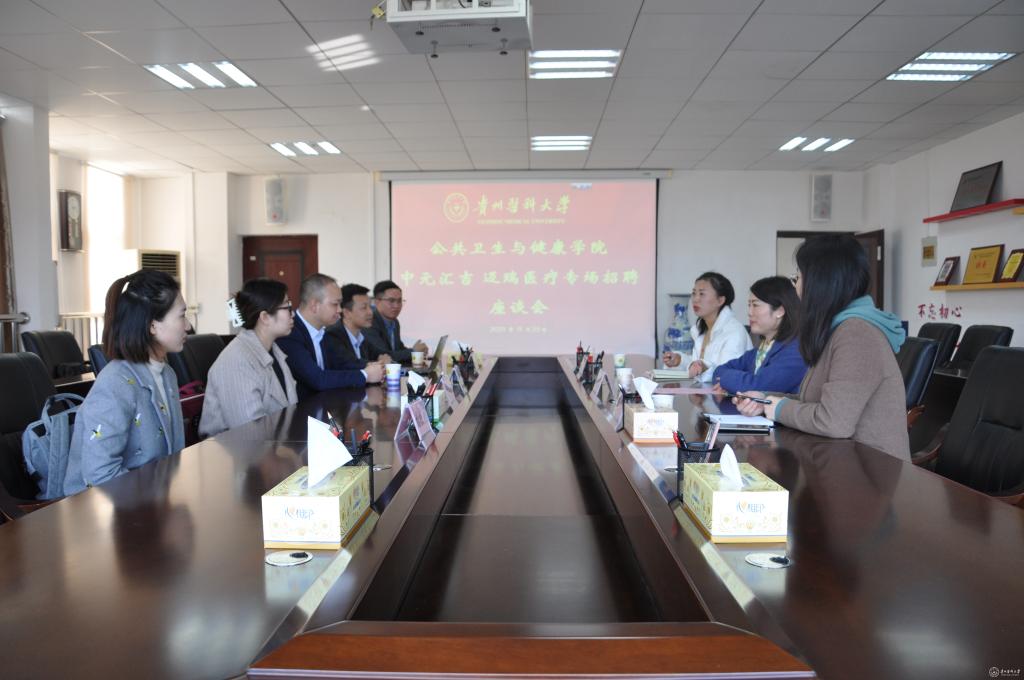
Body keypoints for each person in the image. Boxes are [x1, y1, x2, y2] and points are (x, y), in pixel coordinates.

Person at [734, 234, 910, 461]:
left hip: (871, 471)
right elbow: (813, 402)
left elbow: (833, 421)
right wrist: (765, 399)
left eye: (798, 278)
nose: (796, 288)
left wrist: (777, 408)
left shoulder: (857, 333)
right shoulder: (837, 329)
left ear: (821, 282)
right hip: (838, 460)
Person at [64, 269, 189, 495]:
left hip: (155, 500)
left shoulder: (167, 374)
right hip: (109, 509)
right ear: (152, 325)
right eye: (182, 316)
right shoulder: (115, 383)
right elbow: (100, 474)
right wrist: (155, 506)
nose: (188, 325)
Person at [199, 278, 299, 437]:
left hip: (275, 445)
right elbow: (250, 433)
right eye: (287, 307)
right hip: (235, 450)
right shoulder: (236, 362)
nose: (292, 314)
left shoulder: (274, 351)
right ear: (265, 317)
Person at [276, 273, 383, 400]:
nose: (340, 310)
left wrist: (374, 366)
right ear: (314, 305)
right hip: (300, 410)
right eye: (335, 304)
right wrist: (365, 375)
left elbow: (343, 363)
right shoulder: (290, 333)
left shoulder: (323, 333)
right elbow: (317, 379)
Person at [712, 276, 808, 395]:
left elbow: (758, 386)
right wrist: (735, 381)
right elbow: (718, 371)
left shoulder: (796, 350)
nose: (749, 312)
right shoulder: (763, 348)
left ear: (779, 311)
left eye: (755, 305)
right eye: (749, 305)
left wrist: (726, 380)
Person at [662, 271, 751, 382]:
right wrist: (679, 361)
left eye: (702, 294)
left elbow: (726, 376)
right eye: (694, 293)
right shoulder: (700, 329)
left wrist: (703, 367)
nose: (695, 299)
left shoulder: (734, 333)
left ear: (720, 300)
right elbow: (699, 366)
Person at [325, 283, 392, 368]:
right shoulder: (332, 336)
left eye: (370, 307)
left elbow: (382, 354)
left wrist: (383, 359)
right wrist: (380, 363)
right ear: (346, 313)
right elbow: (349, 364)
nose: (370, 312)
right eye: (364, 308)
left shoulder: (361, 338)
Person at [364, 280, 428, 364]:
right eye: (391, 301)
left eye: (399, 301)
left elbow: (398, 350)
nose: (396, 306)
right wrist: (413, 351)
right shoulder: (369, 322)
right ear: (377, 302)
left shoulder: (395, 322)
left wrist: (418, 353)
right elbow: (383, 355)